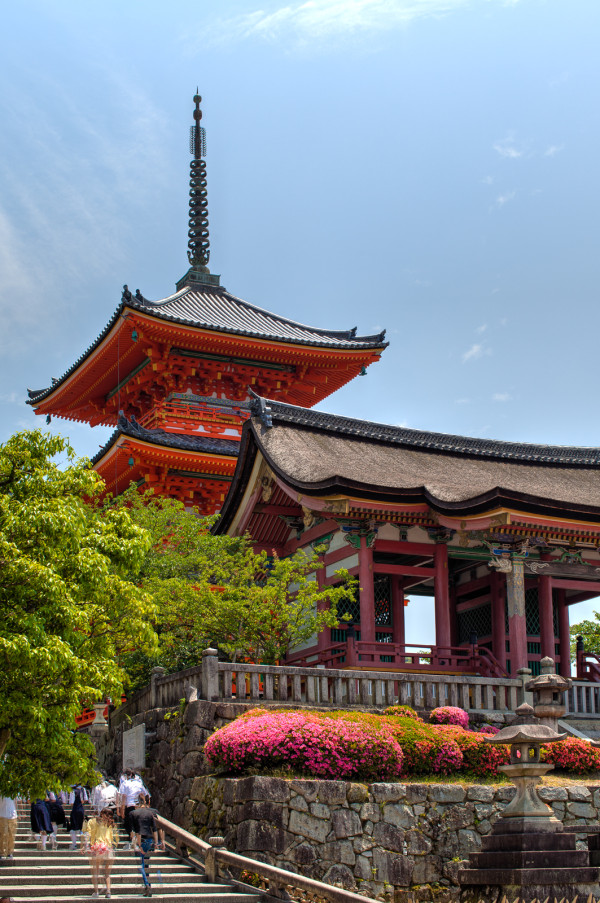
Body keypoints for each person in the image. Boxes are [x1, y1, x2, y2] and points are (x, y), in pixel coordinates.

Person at [82, 808, 118, 899]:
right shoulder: (111, 824)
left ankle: (96, 891)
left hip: (98, 847)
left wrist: (84, 846)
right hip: (109, 849)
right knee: (107, 873)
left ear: (101, 813)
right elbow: (115, 838)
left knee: (95, 871)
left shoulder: (94, 822)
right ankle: (108, 891)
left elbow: (88, 834)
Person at [130, 794, 158, 898]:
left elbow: (135, 830)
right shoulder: (150, 813)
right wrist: (156, 843)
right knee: (145, 863)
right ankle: (148, 886)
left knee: (140, 863)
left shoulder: (133, 813)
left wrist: (137, 843)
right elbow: (154, 829)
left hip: (140, 839)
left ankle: (147, 884)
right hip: (149, 839)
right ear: (145, 802)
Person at [117, 770, 148, 850]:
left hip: (129, 806)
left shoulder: (125, 783)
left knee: (129, 825)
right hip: (138, 806)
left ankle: (133, 840)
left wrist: (122, 810)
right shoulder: (139, 784)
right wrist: (144, 804)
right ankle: (138, 842)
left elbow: (123, 797)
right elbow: (144, 794)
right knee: (137, 824)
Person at [0, 797, 18, 861]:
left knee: (12, 836)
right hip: (2, 815)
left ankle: (10, 852)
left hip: (12, 815)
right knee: (3, 835)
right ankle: (1, 853)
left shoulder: (13, 792)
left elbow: (15, 802)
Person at [69, 786, 86, 850]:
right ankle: (83, 844)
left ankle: (74, 844)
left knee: (73, 828)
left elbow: (71, 802)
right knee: (81, 827)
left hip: (75, 809)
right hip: (81, 809)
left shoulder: (73, 791)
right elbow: (84, 800)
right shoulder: (83, 789)